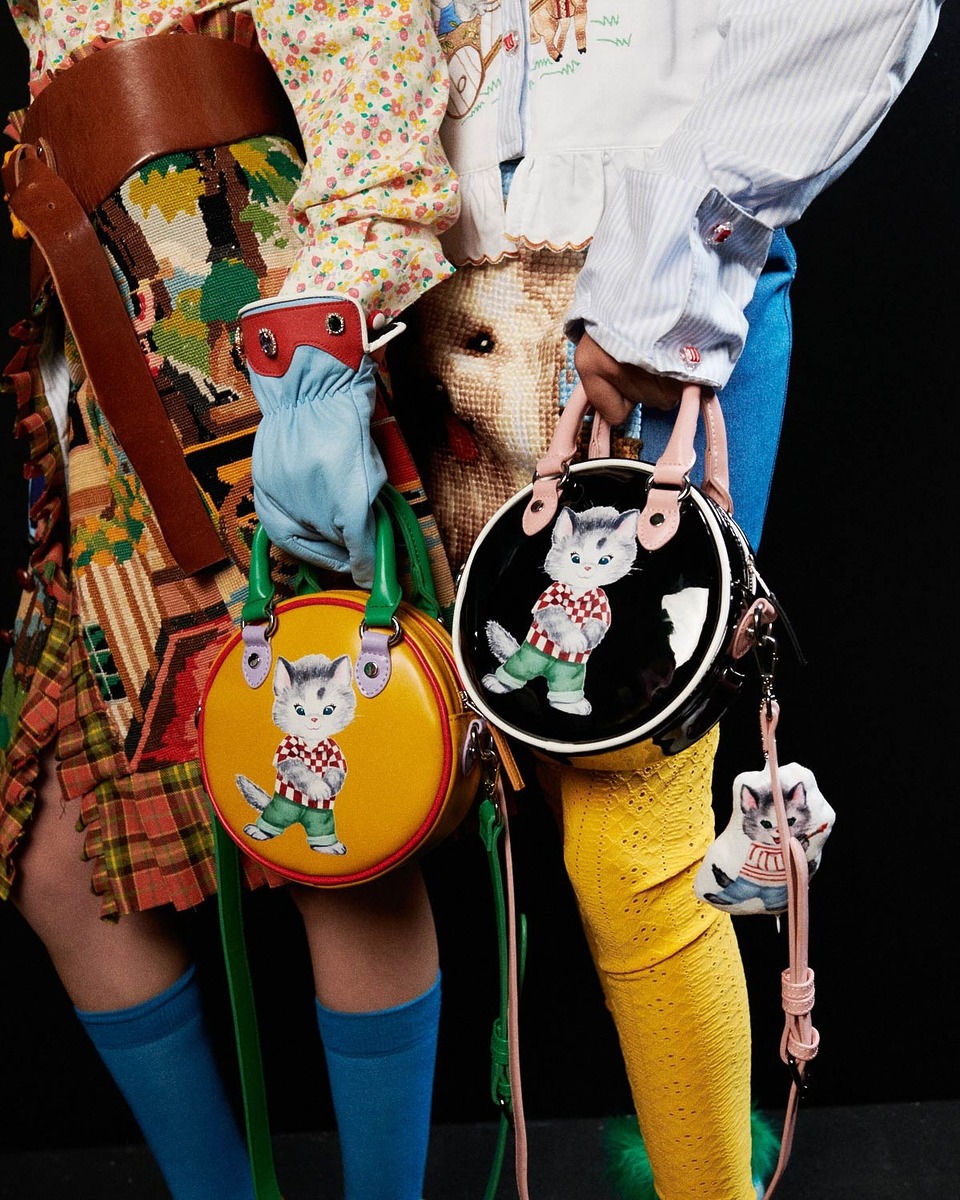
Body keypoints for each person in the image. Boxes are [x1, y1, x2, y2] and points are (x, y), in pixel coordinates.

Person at [1, 4, 459, 1199]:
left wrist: (317, 362)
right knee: (57, 859)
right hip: (95, 350)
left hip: (248, 332)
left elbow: (369, 70)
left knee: (340, 818)